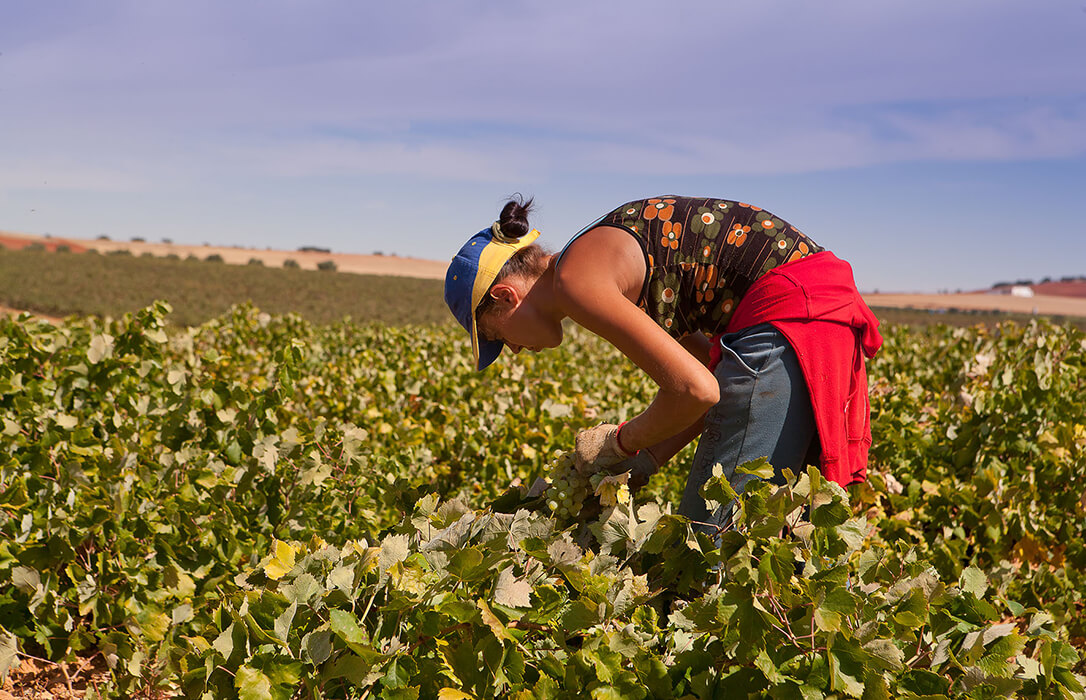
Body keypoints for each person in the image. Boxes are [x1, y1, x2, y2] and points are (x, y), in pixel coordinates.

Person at [444, 195, 882, 535]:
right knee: (784, 538)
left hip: (790, 321)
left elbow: (698, 392)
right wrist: (647, 461)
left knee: (713, 549)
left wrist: (620, 442)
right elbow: (708, 383)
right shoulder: (604, 265)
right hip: (817, 318)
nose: (515, 351)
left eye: (501, 337)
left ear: (505, 297)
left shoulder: (577, 282)